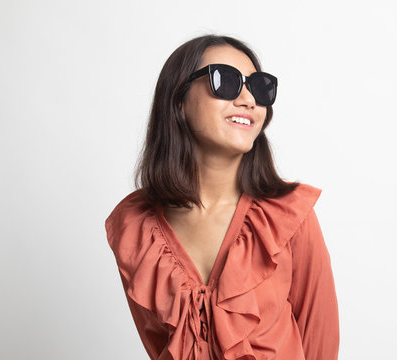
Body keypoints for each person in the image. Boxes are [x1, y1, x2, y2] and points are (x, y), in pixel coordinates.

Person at [105, 34, 339, 360]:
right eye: (225, 82)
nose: (247, 99)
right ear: (179, 100)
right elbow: (160, 347)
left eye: (258, 87)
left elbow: (320, 343)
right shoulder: (135, 228)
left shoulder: (287, 217)